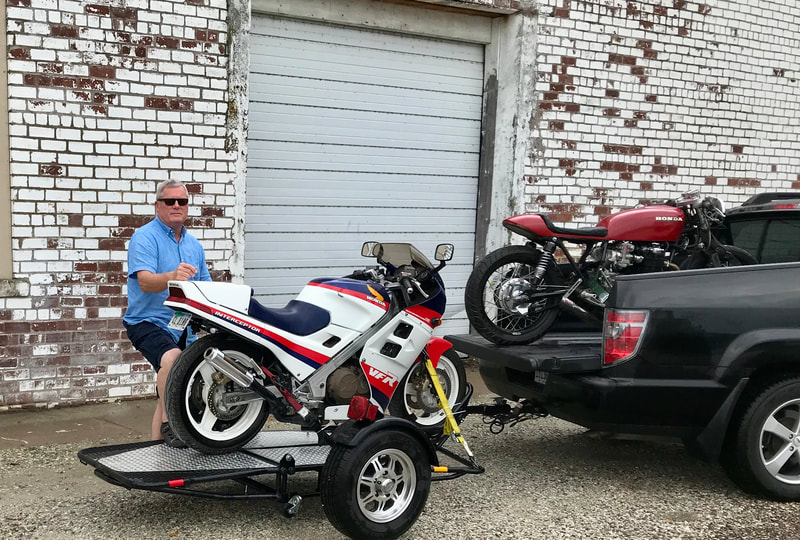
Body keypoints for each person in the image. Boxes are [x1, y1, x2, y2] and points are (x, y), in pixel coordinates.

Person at [122, 179, 211, 447]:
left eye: (181, 201)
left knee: (168, 386)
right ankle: (171, 424)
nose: (176, 206)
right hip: (146, 322)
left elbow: (206, 288)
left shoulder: (193, 245)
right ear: (157, 205)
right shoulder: (144, 237)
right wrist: (173, 277)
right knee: (171, 361)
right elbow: (145, 282)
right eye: (169, 201)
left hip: (182, 325)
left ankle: (157, 451)